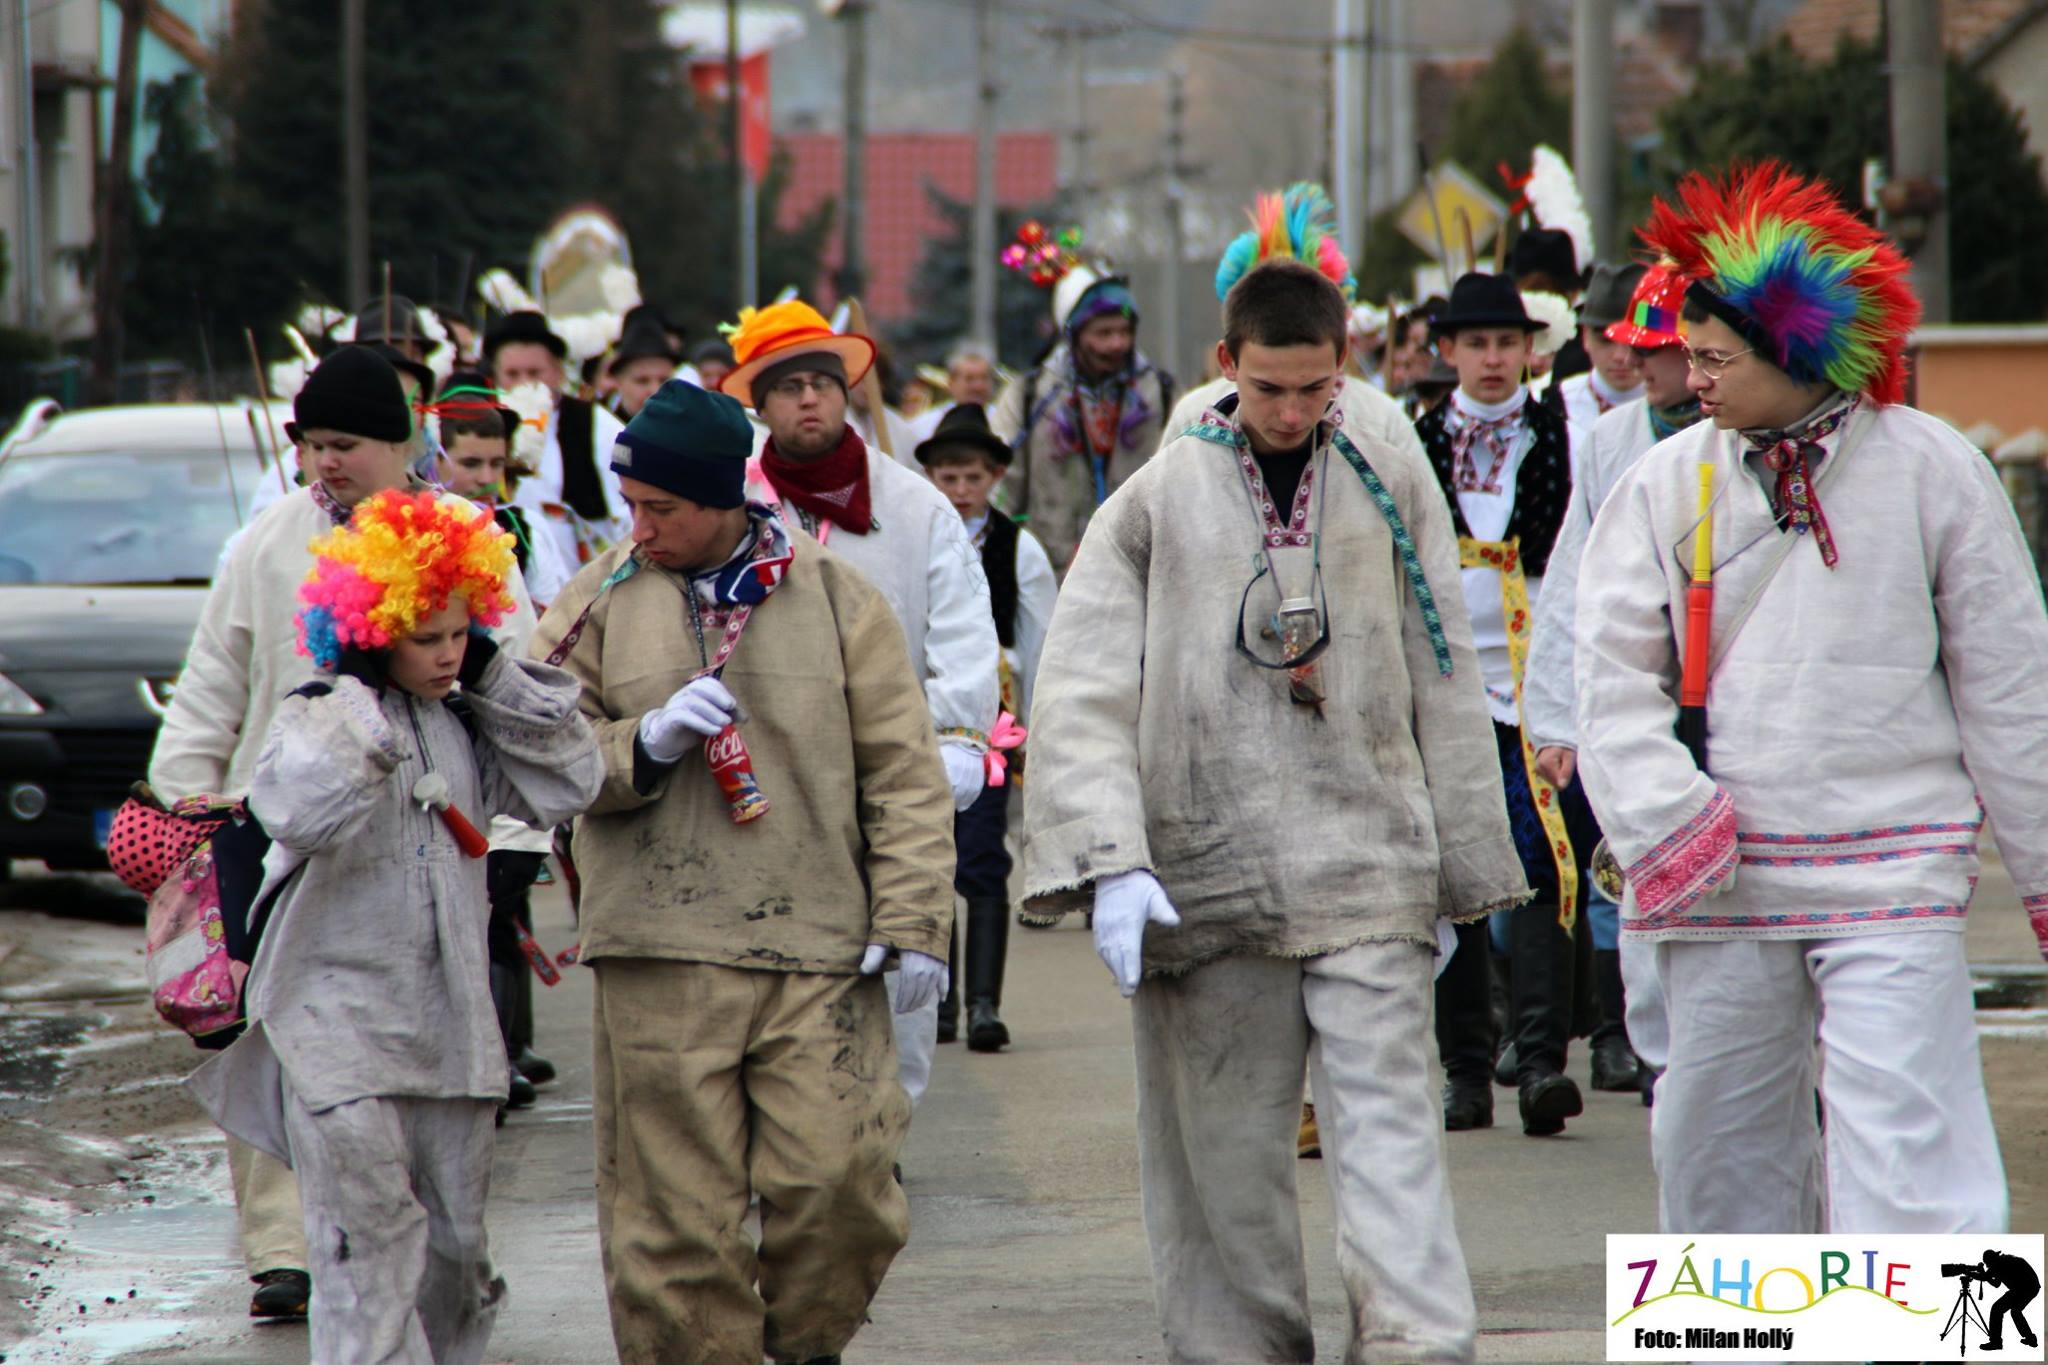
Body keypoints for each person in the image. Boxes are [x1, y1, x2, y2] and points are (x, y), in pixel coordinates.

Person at [1022, 256, 1528, 1363]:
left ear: (1342, 364)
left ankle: (1415, 1344)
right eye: (1267, 389)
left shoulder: (1388, 471)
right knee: (1221, 1152)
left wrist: (1460, 867)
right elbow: (1082, 685)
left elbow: (1441, 667)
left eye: (1313, 388)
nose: (1291, 413)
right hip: (1207, 865)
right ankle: (1234, 1350)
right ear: (1224, 364)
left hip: (1369, 858)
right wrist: (1111, 857)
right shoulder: (1156, 495)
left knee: (1392, 1128)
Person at [1576, 162, 2048, 1236]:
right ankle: (1740, 1329)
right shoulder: (1662, 483)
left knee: (1911, 1147)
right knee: (1716, 1152)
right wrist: (1666, 819)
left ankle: (1926, 1324)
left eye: (1714, 358)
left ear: (1793, 350)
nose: (1692, 378)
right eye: (1689, 355)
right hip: (1719, 874)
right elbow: (1606, 675)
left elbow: (2011, 689)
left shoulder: (1932, 468)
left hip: (1894, 864)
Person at [531, 379, 955, 1364]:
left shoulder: (838, 596)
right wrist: (639, 744)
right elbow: (534, 747)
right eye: (631, 505)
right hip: (659, 949)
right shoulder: (596, 598)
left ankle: (808, 1346)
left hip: (820, 946)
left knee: (841, 1184)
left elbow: (903, 769)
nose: (640, 527)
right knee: (673, 1217)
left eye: (662, 508)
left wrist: (914, 918)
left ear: (725, 498)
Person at [149, 345, 539, 1322]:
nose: (327, 461)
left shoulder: (463, 537)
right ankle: (285, 1246)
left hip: (431, 842)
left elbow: (518, 683)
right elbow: (216, 674)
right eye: (314, 443)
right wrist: (183, 801)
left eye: (347, 443)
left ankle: (421, 1241)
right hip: (283, 836)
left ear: (401, 442)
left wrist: (518, 841)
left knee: (415, 1063)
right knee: (280, 1028)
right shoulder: (269, 542)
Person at [187, 489, 601, 1364]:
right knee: (367, 1252)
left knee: (457, 1262)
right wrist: (359, 700)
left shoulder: (464, 723)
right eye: (427, 637)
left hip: (451, 1033)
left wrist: (494, 675)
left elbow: (573, 780)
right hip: (333, 1029)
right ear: (373, 631)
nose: (449, 653)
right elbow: (298, 812)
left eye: (461, 633)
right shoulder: (315, 712)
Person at [722, 298, 1001, 1112]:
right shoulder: (729, 506)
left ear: (846, 392)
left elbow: (964, 627)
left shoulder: (915, 505)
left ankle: (882, 1139)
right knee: (775, 967)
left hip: (888, 775)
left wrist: (957, 736)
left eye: (822, 381)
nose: (809, 398)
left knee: (898, 960)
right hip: (765, 780)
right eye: (788, 386)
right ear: (761, 405)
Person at [1415, 271, 1594, 1138]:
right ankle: (1464, 1069)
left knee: (1546, 863)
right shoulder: (1412, 441)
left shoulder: (1567, 435)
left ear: (1532, 350)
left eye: (1507, 343)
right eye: (1476, 343)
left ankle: (1541, 1060)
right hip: (1447, 686)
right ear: (1446, 350)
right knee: (1453, 872)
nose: (1493, 360)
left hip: (1539, 684)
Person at [1522, 262, 1700, 1101]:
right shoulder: (1607, 442)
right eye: (1632, 346)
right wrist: (1558, 718)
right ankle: (1650, 1046)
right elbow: (1571, 583)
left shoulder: (1745, 436)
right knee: (1633, 868)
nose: (1637, 362)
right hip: (1635, 693)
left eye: (1655, 349)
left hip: (1721, 696)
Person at [913, 402, 1057, 1051]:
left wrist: (1039, 718)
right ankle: (940, 1002)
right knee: (930, 853)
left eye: (972, 476)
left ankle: (983, 1004)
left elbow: (1042, 636)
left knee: (982, 855)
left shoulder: (1017, 547)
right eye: (948, 477)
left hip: (991, 725)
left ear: (995, 476)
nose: (961, 489)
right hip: (923, 717)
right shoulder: (917, 538)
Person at [990, 250, 1175, 569]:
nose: (1117, 344)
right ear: (1072, 334)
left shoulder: (1160, 394)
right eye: (1103, 333)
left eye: (1124, 331)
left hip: (1137, 572)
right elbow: (1000, 489)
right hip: (1051, 575)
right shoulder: (1028, 397)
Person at [485, 309, 630, 570]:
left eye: (534, 373)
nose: (524, 384)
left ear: (558, 372)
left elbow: (627, 510)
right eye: (512, 374)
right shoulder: (484, 426)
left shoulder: (596, 423)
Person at [1549, 263, 1646, 439]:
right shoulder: (1554, 404)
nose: (1621, 357)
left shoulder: (1676, 409)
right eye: (1605, 341)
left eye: (1632, 341)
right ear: (1585, 336)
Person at [907, 339, 1000, 442]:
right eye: (969, 379)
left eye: (984, 378)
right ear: (951, 383)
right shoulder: (924, 425)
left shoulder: (1003, 420)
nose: (978, 386)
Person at [606, 312, 682, 421]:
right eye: (642, 381)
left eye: (664, 380)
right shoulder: (604, 428)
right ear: (618, 382)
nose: (655, 390)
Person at [1980, 1248, 2041, 1352]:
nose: (1987, 1266)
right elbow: (1994, 1282)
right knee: (2015, 1311)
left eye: (1987, 1264)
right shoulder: (2002, 1261)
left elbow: (1990, 1280)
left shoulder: (2000, 1264)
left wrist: (1978, 1273)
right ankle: (2030, 1338)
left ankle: (1995, 1342)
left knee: (1997, 1309)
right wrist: (1983, 1274)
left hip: (2024, 1288)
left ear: (1991, 1261)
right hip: (2028, 1288)